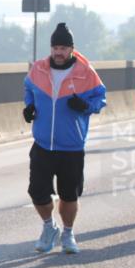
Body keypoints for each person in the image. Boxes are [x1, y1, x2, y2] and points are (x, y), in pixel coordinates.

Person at [22, 23, 106, 253]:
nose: (58, 52)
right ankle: (49, 227)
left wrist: (85, 105)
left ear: (71, 49)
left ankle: (68, 233)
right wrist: (29, 106)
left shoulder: (85, 72)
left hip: (71, 146)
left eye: (63, 48)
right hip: (42, 144)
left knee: (69, 195)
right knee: (37, 192)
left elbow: (101, 99)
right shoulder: (38, 69)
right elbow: (28, 88)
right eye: (55, 47)